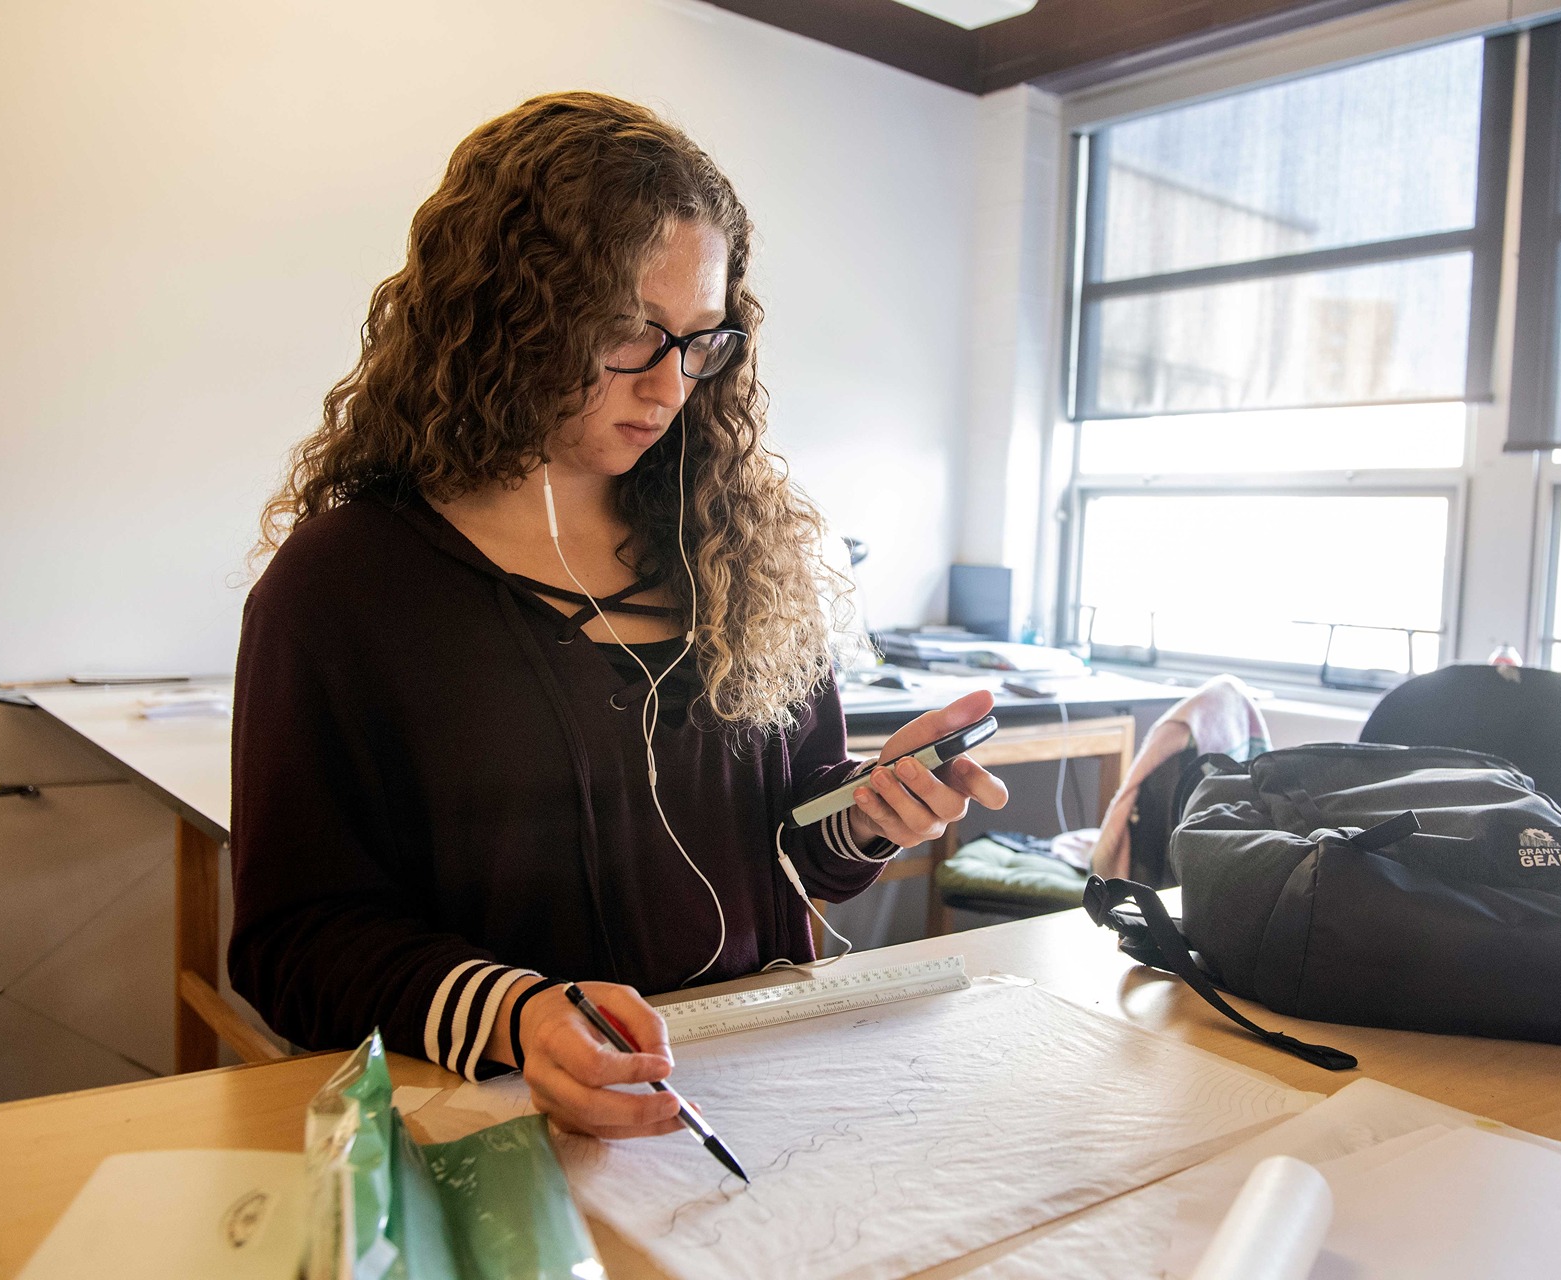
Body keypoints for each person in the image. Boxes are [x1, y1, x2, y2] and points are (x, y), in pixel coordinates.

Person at [229, 92, 1008, 1141]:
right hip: (500, 1134)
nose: (670, 385)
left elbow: (779, 842)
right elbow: (294, 941)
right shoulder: (344, 586)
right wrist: (515, 1012)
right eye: (625, 335)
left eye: (701, 341)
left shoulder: (738, 554)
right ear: (503, 314)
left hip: (754, 1102)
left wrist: (863, 815)